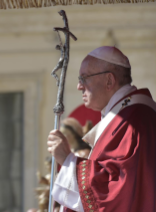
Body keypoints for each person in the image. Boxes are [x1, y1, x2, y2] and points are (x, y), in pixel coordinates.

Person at [47, 46, 156, 212]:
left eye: (84, 78)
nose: (79, 86)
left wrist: (68, 160)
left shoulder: (133, 121)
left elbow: (118, 193)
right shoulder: (125, 115)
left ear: (109, 81)